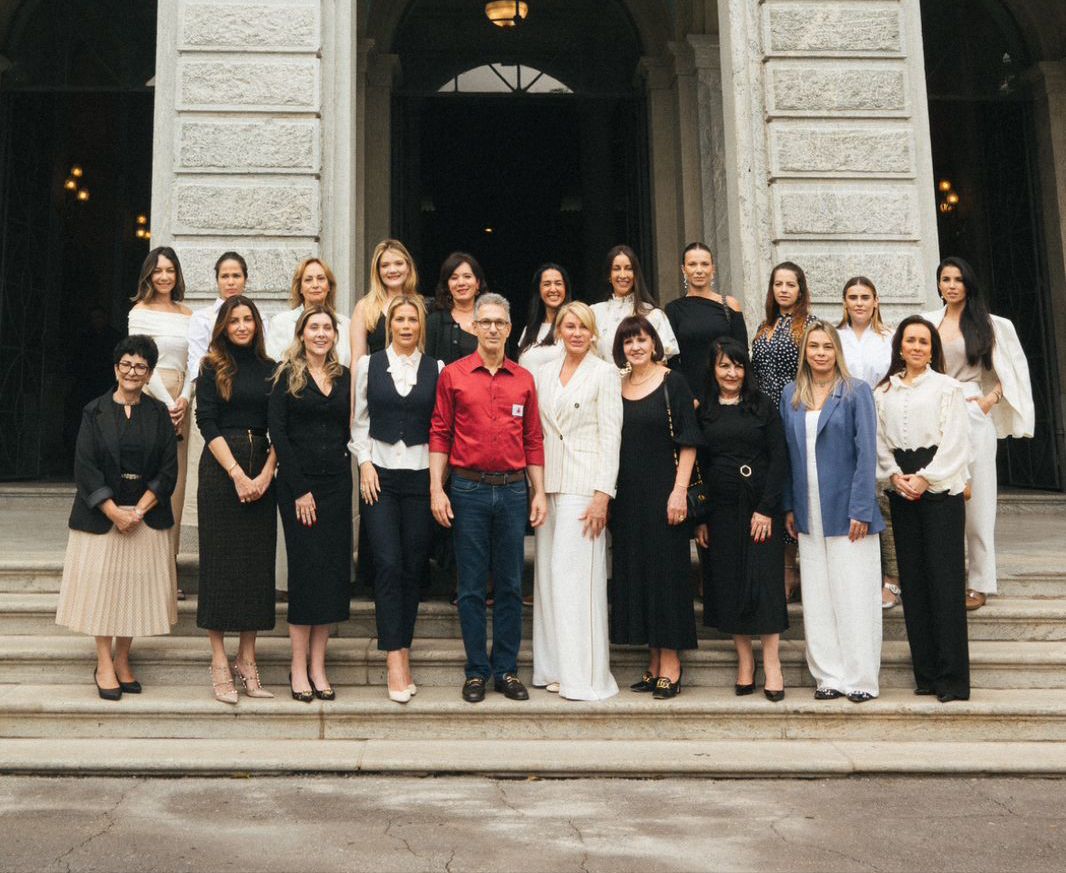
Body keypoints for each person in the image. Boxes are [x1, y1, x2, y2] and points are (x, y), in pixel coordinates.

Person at [429, 293, 547, 704]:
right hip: (468, 489)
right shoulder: (454, 376)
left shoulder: (523, 379)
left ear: (509, 328)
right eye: (486, 322)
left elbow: (533, 438)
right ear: (474, 327)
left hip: (514, 490)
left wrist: (540, 492)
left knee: (512, 585)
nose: (493, 328)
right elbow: (440, 432)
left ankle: (506, 670)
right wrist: (436, 489)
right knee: (472, 586)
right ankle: (477, 670)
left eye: (500, 322)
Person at [55, 335, 178, 700]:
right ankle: (103, 662)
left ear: (149, 373)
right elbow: (85, 466)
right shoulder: (93, 411)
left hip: (145, 515)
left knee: (132, 592)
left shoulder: (158, 414)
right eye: (126, 364)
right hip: (102, 518)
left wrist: (139, 510)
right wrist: (112, 511)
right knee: (103, 593)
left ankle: (123, 658)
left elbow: (168, 469)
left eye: (140, 366)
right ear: (115, 368)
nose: (132, 371)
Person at [921, 257, 1034, 611]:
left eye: (958, 279)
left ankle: (981, 581)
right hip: (934, 414)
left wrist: (990, 400)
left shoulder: (990, 324)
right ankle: (943, 578)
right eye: (945, 279)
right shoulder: (927, 322)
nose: (951, 285)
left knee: (979, 499)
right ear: (938, 284)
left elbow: (1011, 370)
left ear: (968, 284)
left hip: (972, 411)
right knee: (940, 494)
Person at [781, 322, 883, 703]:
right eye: (813, 346)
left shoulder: (856, 391)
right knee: (819, 597)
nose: (820, 353)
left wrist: (862, 507)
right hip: (808, 509)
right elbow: (789, 456)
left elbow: (866, 453)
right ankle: (829, 676)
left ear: (836, 350)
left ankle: (860, 678)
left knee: (854, 593)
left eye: (827, 346)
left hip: (848, 510)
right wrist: (789, 505)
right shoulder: (792, 394)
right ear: (805, 351)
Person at [350, 295, 441, 704]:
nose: (406, 326)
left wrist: (439, 481)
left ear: (421, 326)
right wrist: (365, 465)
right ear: (390, 325)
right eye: (400, 320)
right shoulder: (369, 365)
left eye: (413, 320)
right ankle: (395, 658)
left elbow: (441, 428)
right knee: (387, 563)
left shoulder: (436, 369)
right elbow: (359, 421)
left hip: (421, 476)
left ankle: (403, 642)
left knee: (412, 566)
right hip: (380, 476)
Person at [875, 316, 971, 702]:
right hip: (902, 489)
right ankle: (927, 673)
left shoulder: (948, 388)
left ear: (933, 349)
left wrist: (925, 477)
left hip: (939, 490)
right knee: (913, 583)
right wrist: (895, 475)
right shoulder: (884, 392)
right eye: (910, 340)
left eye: (924, 341)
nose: (916, 346)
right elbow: (881, 441)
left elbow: (956, 443)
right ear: (900, 346)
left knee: (944, 583)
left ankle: (952, 679)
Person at [532, 302, 621, 701]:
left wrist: (603, 493)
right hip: (549, 483)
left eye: (583, 327)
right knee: (549, 579)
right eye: (569, 326)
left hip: (585, 487)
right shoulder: (544, 372)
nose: (576, 333)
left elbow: (611, 436)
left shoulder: (604, 374)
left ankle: (583, 675)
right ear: (559, 331)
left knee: (576, 582)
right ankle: (553, 667)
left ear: (593, 332)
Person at [608, 316, 701, 700]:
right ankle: (652, 660)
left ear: (654, 343)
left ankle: (671, 663)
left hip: (666, 491)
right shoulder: (617, 385)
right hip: (628, 496)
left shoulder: (672, 382)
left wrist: (679, 491)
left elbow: (689, 440)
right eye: (628, 341)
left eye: (642, 339)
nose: (636, 347)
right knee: (639, 575)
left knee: (667, 576)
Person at [695, 338, 789, 701]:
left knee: (763, 582)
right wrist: (701, 518)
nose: (731, 373)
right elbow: (699, 467)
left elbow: (779, 457)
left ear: (745, 369)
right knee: (730, 582)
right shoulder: (705, 411)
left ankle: (773, 662)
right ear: (714, 370)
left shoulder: (762, 405)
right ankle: (745, 661)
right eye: (724, 366)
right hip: (720, 511)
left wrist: (767, 508)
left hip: (760, 508)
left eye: (737, 366)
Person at [195, 296, 278, 704]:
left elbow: (279, 424)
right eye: (235, 321)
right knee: (220, 564)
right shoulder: (212, 366)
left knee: (255, 567)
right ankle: (218, 660)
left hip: (262, 468)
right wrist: (237, 474)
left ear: (257, 324)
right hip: (221, 470)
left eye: (248, 320)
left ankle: (247, 659)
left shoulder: (271, 369)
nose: (242, 326)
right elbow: (205, 421)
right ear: (224, 326)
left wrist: (264, 474)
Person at [269, 306, 352, 702]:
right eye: (313, 328)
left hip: (337, 484)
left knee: (332, 574)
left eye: (327, 328)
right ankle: (297, 666)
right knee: (305, 573)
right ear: (302, 334)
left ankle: (319, 666)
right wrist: (299, 488)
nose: (321, 334)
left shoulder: (344, 376)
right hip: (299, 487)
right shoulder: (285, 376)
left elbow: (350, 429)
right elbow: (278, 434)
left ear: (335, 335)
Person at [751, 261, 816, 599]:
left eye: (791, 284)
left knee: (796, 483)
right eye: (779, 284)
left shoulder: (810, 326)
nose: (784, 290)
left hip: (796, 411)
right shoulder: (764, 327)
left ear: (801, 290)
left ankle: (793, 567)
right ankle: (782, 564)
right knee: (774, 482)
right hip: (764, 418)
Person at [836, 277, 900, 610]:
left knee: (883, 498)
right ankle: (859, 578)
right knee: (852, 498)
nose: (859, 302)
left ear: (876, 301)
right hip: (844, 422)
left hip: (883, 421)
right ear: (844, 302)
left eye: (865, 297)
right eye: (853, 297)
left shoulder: (889, 338)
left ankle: (892, 579)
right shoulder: (836, 337)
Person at [128, 247, 193, 557]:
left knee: (176, 482)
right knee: (148, 474)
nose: (164, 276)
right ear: (149, 275)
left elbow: (195, 361)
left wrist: (184, 399)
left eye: (170, 270)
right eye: (158, 270)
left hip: (182, 400)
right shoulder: (139, 312)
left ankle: (171, 562)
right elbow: (139, 362)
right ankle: (143, 557)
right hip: (152, 397)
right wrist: (168, 402)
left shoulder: (188, 314)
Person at [665, 242, 747, 407]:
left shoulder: (730, 304)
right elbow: (672, 360)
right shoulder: (673, 309)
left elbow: (742, 352)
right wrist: (686, 395)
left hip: (727, 393)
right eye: (692, 264)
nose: (699, 270)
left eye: (704, 264)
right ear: (683, 270)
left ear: (713, 269)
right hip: (691, 397)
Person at [590, 245, 678, 364]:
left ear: (635, 274)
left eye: (628, 268)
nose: (623, 275)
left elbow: (660, 362)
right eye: (616, 268)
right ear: (609, 276)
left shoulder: (653, 314)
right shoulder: (594, 313)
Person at [267, 258, 352, 366]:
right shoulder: (280, 323)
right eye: (308, 280)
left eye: (321, 279)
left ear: (329, 286)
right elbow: (272, 366)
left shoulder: (346, 324)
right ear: (300, 288)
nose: (315, 285)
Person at [350, 239, 419, 363]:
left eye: (398, 263)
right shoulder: (365, 307)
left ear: (408, 267)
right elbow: (357, 360)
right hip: (378, 380)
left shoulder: (423, 306)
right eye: (385, 265)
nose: (392, 270)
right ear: (377, 271)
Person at [424, 252, 486, 366]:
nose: (461, 283)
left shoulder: (493, 319)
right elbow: (426, 368)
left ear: (477, 283)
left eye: (467, 276)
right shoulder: (435, 322)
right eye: (454, 278)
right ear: (447, 285)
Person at [516, 263, 570, 375]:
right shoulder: (528, 330)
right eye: (547, 284)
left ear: (565, 289)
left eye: (558, 284)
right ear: (539, 291)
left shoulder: (573, 328)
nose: (553, 289)